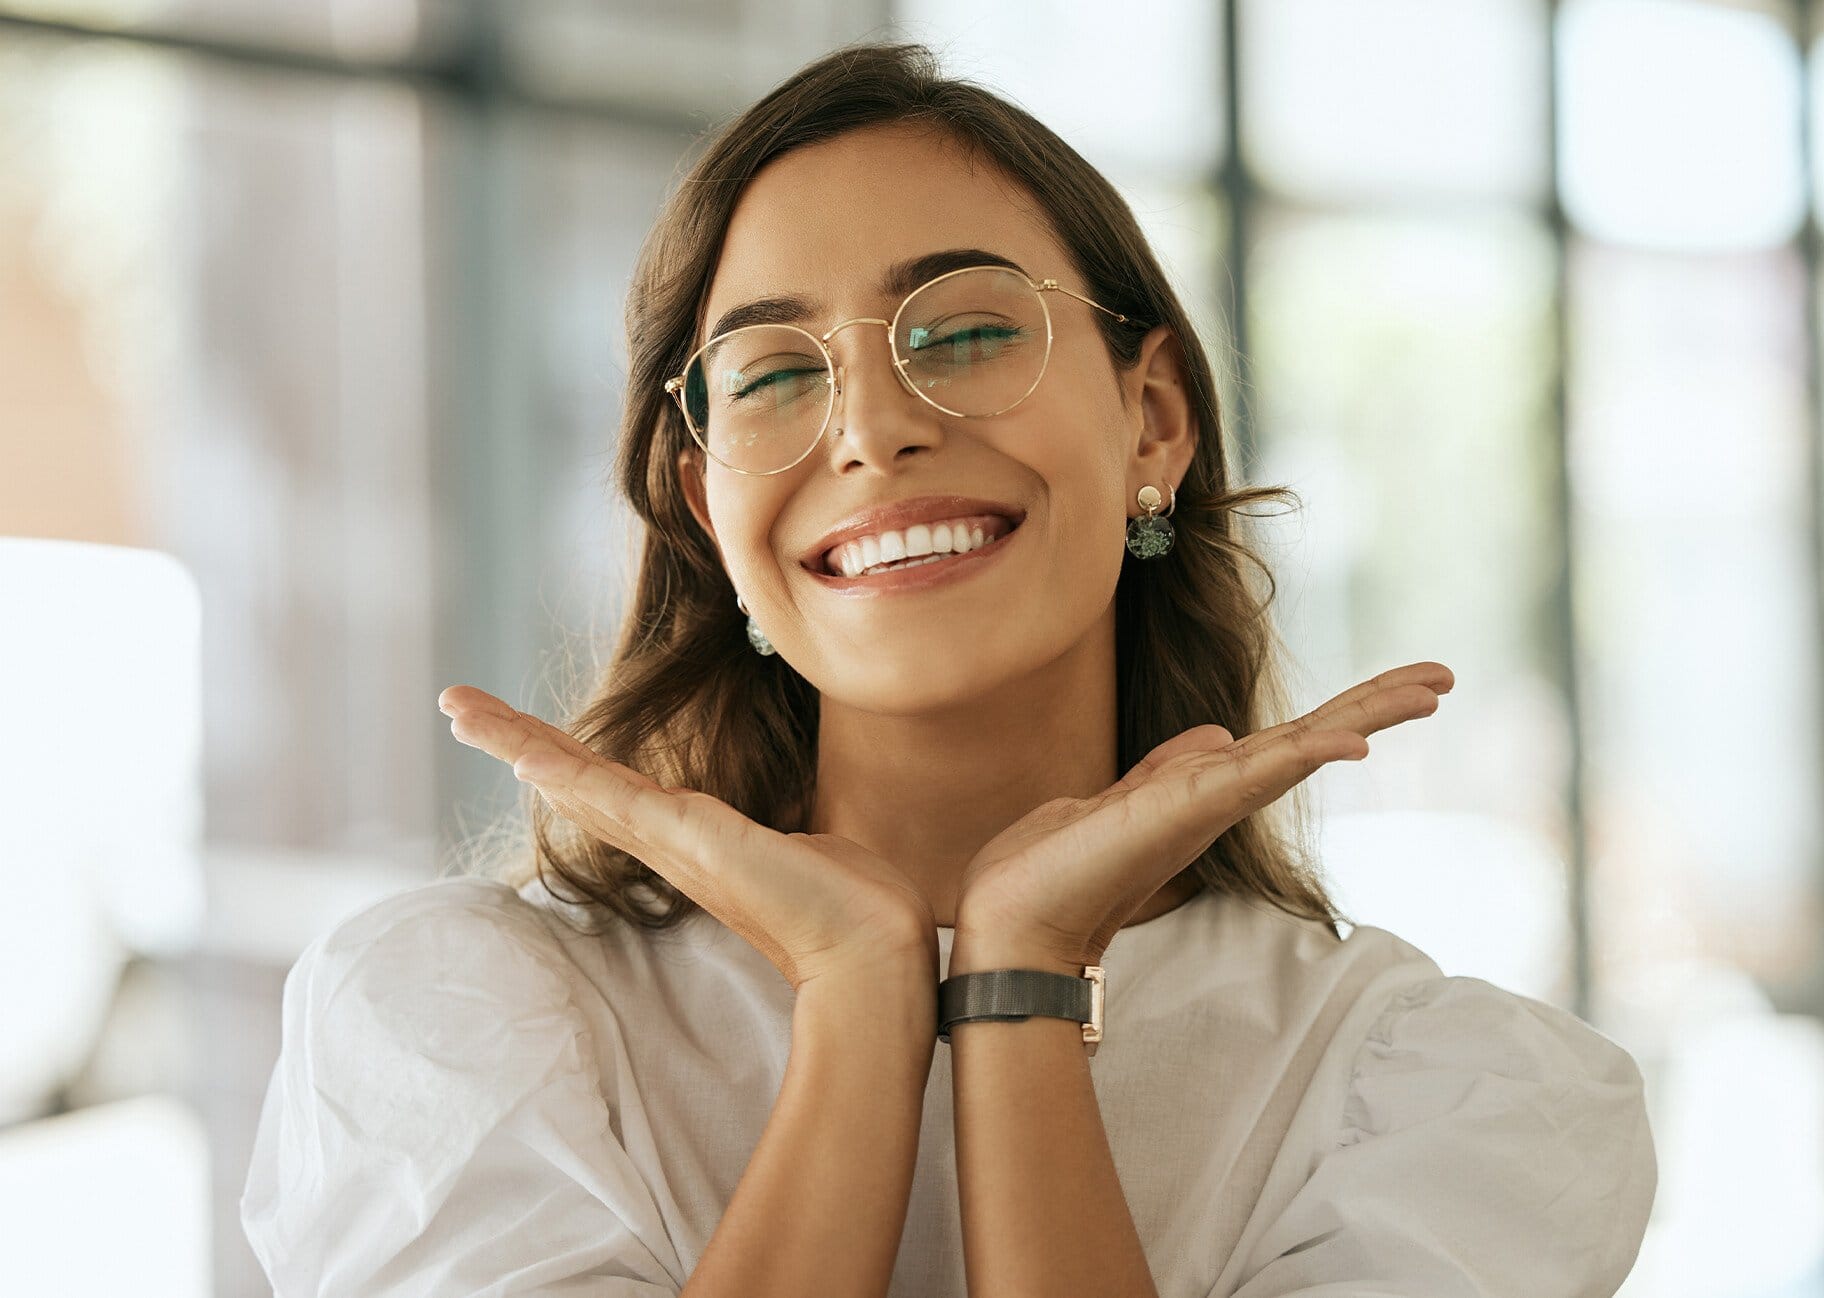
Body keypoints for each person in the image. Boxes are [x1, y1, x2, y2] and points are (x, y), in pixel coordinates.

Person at [240, 40, 1656, 1298]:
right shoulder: (457, 1030)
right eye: (775, 375)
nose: (870, 428)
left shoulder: (1439, 1099)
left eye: (968, 332)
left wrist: (1021, 983)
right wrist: (857, 996)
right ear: (703, 506)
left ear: (1152, 420)